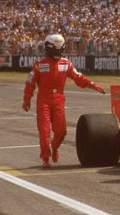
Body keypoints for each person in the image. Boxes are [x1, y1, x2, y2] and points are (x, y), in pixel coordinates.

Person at [22, 34, 105, 168]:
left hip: (59, 101)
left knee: (61, 132)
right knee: (44, 131)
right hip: (43, 101)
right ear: (49, 48)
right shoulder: (39, 65)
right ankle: (46, 159)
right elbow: (30, 83)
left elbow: (79, 78)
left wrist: (93, 85)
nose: (58, 52)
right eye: (56, 49)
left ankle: (54, 147)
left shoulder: (66, 64)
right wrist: (27, 100)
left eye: (60, 49)